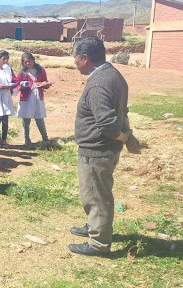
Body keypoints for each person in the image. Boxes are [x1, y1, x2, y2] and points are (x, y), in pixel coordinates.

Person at [69, 36, 140, 256]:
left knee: (97, 197)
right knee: (96, 193)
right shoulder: (113, 75)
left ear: (85, 57)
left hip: (97, 151)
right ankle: (94, 226)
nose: (73, 62)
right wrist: (128, 135)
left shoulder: (99, 83)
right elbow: (121, 111)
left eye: (75, 57)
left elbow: (108, 123)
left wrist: (126, 138)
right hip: (102, 150)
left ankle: (99, 243)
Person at [16, 52, 51, 146]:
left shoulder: (40, 70)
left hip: (38, 97)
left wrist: (45, 84)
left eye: (29, 61)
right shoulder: (22, 73)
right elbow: (17, 84)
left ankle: (45, 138)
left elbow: (45, 81)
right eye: (25, 62)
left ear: (33, 60)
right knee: (26, 119)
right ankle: (26, 138)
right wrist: (21, 87)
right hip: (26, 98)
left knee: (39, 117)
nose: (28, 63)